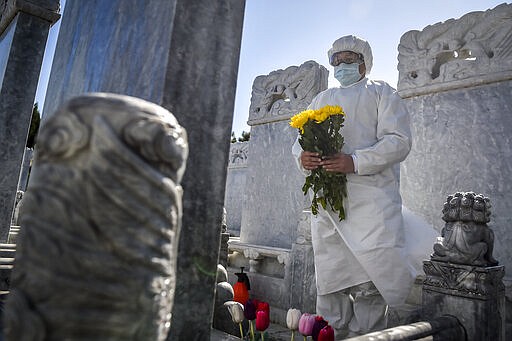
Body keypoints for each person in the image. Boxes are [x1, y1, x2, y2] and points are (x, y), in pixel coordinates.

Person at [292, 35, 415, 339]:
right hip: (329, 206)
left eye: (348, 59)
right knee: (331, 279)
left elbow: (398, 141)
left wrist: (355, 161)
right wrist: (303, 157)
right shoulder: (321, 99)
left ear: (364, 62)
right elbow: (298, 141)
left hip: (371, 203)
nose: (341, 65)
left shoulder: (381, 93)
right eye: (336, 60)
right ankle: (330, 333)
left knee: (369, 281)